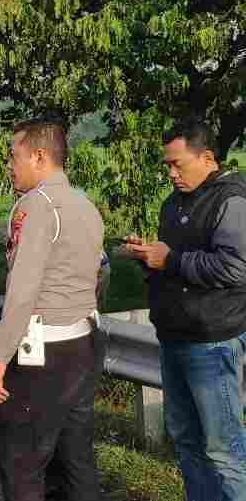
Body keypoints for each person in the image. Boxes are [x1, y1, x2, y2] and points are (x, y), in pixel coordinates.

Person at [123, 118, 246, 500]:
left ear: (207, 157)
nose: (172, 173)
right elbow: (176, 260)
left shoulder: (231, 200)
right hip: (174, 336)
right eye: (167, 165)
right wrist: (150, 257)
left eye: (178, 164)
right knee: (187, 442)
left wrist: (171, 260)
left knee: (223, 448)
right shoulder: (175, 202)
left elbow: (236, 266)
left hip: (211, 341)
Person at [0, 118, 105, 501]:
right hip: (84, 345)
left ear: (38, 157)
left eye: (13, 156)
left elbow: (22, 291)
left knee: (22, 462)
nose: (9, 165)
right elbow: (101, 274)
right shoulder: (85, 205)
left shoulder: (36, 207)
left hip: (43, 355)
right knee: (76, 460)